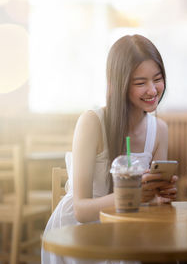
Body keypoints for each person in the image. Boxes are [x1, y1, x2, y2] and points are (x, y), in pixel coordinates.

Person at [42, 34, 177, 263]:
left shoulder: (159, 129)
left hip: (129, 227)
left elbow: (151, 201)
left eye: (157, 79)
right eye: (140, 83)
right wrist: (133, 195)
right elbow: (81, 211)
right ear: (119, 84)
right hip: (80, 235)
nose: (153, 90)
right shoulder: (92, 122)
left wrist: (159, 196)